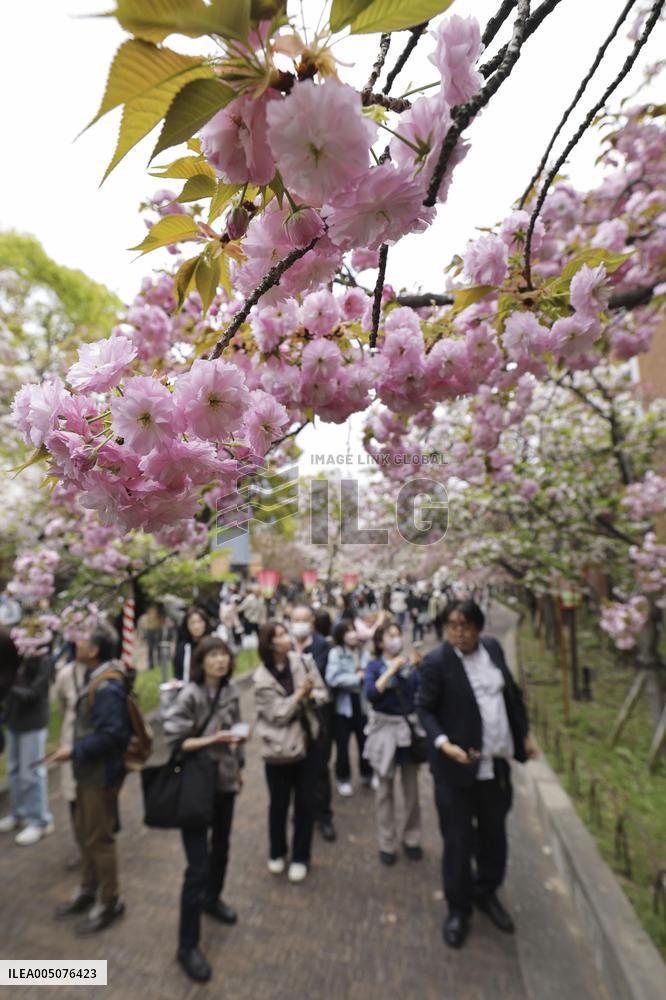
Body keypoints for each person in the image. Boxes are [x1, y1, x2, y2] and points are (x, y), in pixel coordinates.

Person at [417, 600, 537, 950]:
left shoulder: (493, 649)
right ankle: (459, 909)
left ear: (480, 628)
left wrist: (523, 734)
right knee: (457, 843)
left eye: (466, 626)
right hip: (455, 772)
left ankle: (487, 891)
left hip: (494, 767)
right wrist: (442, 743)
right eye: (453, 625)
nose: (459, 632)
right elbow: (424, 709)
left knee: (494, 836)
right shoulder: (437, 662)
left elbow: (511, 695)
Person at [163, 636, 246, 984]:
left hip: (225, 782)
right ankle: (187, 946)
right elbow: (175, 738)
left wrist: (240, 759)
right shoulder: (190, 695)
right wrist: (212, 740)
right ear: (202, 660)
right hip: (196, 787)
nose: (220, 661)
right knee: (196, 866)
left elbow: (235, 733)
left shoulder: (230, 693)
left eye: (224, 656)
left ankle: (213, 898)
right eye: (213, 656)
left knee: (222, 849)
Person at [51, 626, 131, 935]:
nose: (75, 642)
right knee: (85, 833)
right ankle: (88, 889)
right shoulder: (95, 676)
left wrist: (75, 750)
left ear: (95, 649)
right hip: (88, 772)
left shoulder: (106, 685)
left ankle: (110, 901)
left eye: (82, 639)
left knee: (99, 839)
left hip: (99, 775)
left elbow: (113, 735)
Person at [253, 621, 328, 883]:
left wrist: (310, 695)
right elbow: (278, 714)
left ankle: (300, 856)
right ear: (270, 644)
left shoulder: (304, 663)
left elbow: (322, 693)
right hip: (278, 748)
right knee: (279, 803)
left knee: (306, 803)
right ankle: (277, 851)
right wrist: (299, 694)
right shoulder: (261, 679)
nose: (288, 638)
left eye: (286, 633)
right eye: (281, 635)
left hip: (308, 743)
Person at [363, 623, 423, 866]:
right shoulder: (374, 666)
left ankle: (412, 837)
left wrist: (419, 668)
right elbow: (371, 694)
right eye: (391, 636)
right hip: (383, 732)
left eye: (399, 635)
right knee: (384, 792)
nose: (396, 640)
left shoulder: (409, 666)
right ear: (380, 642)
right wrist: (390, 671)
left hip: (406, 733)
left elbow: (419, 692)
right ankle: (387, 841)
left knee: (412, 791)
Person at [290, 605, 335, 843]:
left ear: (312, 623)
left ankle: (324, 816)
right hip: (292, 716)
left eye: (303, 619)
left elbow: (320, 678)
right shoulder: (284, 644)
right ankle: (299, 813)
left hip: (318, 714)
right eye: (295, 619)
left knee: (319, 767)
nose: (299, 623)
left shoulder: (322, 645)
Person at [0, 644, 54, 845]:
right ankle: (19, 812)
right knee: (14, 770)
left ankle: (40, 820)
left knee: (32, 772)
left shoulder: (43, 659)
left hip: (33, 723)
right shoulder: (12, 657)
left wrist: (9, 684)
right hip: (14, 721)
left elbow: (33, 694)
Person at [326, 622, 373, 797]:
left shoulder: (364, 652)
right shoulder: (336, 653)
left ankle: (367, 774)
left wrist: (361, 678)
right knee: (343, 747)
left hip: (362, 705)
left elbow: (370, 675)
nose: (352, 635)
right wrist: (356, 679)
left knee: (365, 743)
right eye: (347, 632)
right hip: (343, 707)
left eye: (353, 630)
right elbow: (333, 678)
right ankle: (343, 778)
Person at [52, 652, 88, 869]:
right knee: (74, 798)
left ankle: (96, 847)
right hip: (70, 741)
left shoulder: (108, 671)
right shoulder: (66, 674)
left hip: (96, 746)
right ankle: (82, 847)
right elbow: (62, 705)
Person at [174, 606, 212, 682]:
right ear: (187, 626)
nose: (196, 626)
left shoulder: (212, 644)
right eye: (192, 623)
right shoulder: (183, 647)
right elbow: (177, 673)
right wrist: (175, 681)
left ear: (205, 623)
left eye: (199, 622)